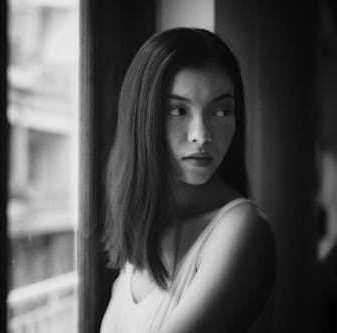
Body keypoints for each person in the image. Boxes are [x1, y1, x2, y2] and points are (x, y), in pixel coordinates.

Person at [101, 27, 276, 333]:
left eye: (221, 111)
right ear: (142, 118)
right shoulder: (146, 226)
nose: (202, 135)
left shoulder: (242, 229)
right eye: (178, 110)